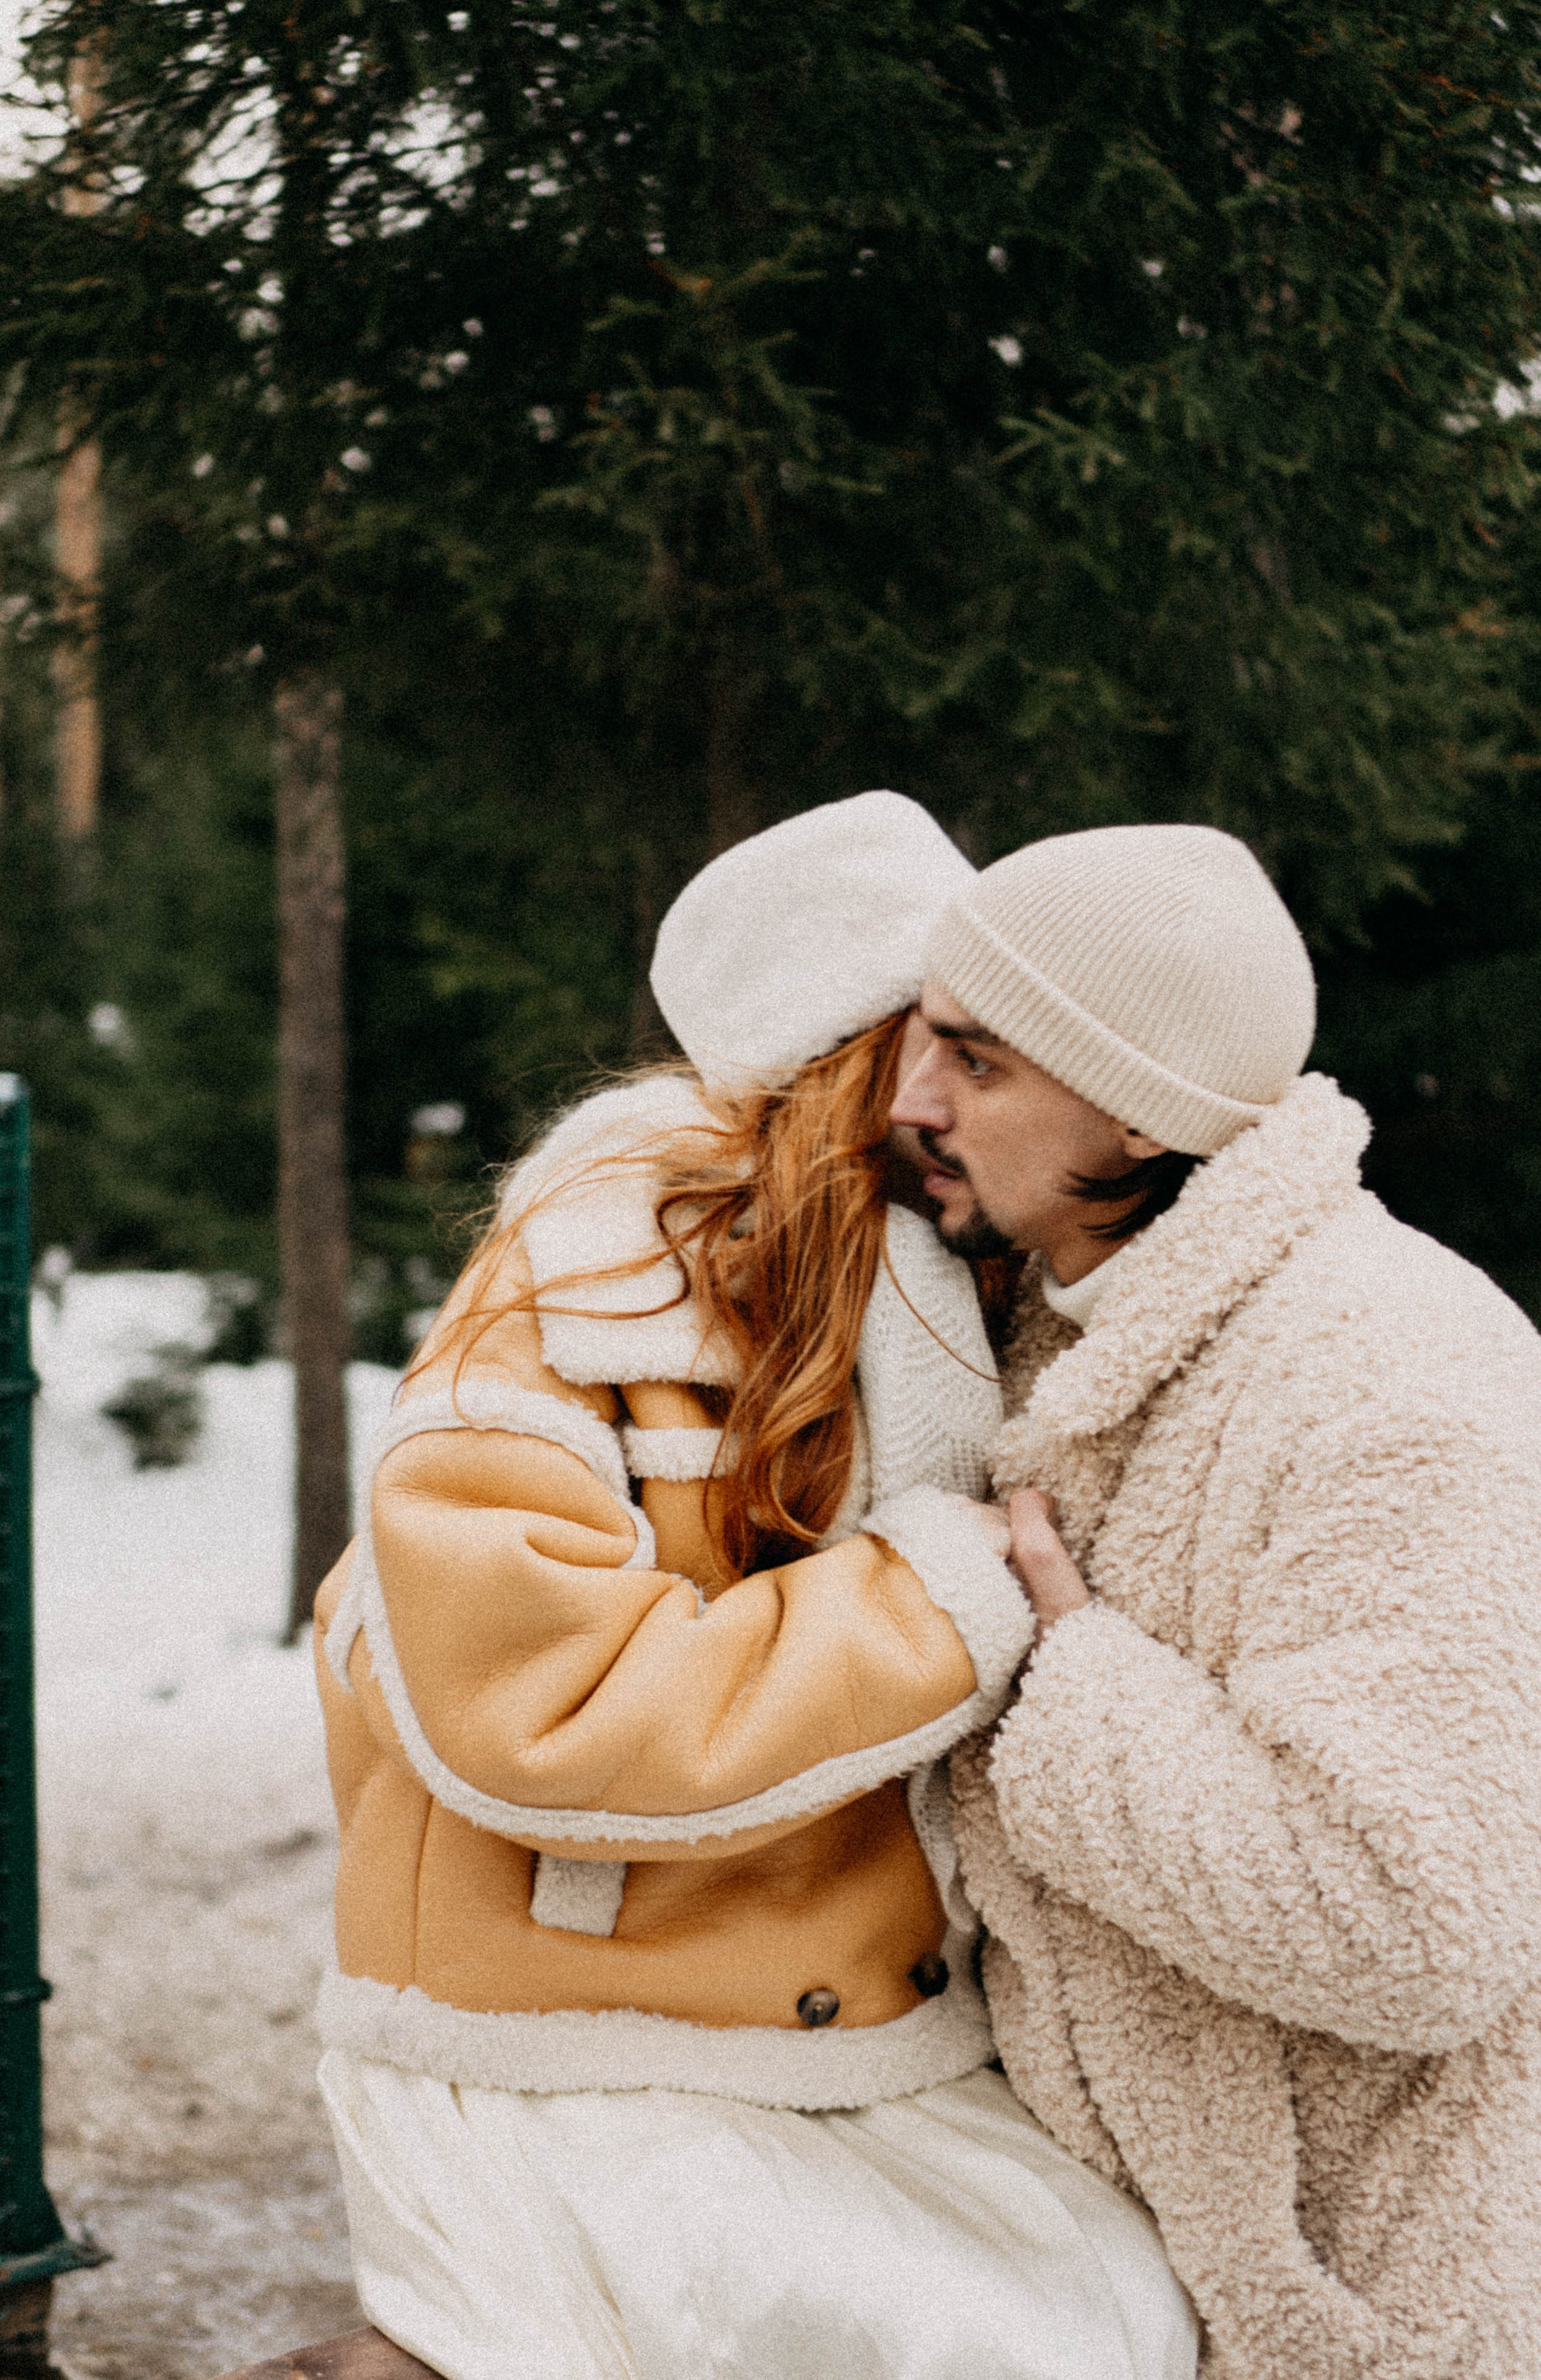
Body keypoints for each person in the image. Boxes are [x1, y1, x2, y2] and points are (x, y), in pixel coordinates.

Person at [312, 793, 1199, 2380]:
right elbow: (537, 1707)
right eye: (940, 1045)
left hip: (864, 2032)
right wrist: (941, 1595)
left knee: (1116, 2322)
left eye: (985, 1056)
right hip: (573, 2039)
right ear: (845, 1052)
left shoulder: (957, 1277)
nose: (956, 1093)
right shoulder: (578, 1296)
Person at [888, 821, 1541, 2380]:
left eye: (977, 1063)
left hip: (1383, 2321)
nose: (911, 1104)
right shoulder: (1057, 1337)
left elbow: (1418, 1923)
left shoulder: (1400, 1377)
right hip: (1123, 2299)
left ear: (1134, 1117)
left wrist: (1065, 1677)